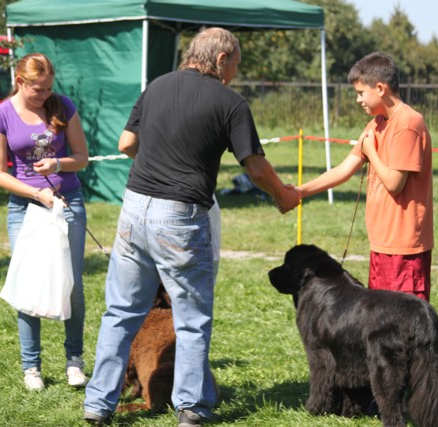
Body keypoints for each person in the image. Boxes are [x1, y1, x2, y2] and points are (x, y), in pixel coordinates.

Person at [83, 27, 299, 426]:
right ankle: (191, 408)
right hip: (180, 216)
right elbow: (255, 167)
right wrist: (282, 196)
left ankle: (97, 404)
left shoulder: (156, 86)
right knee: (192, 318)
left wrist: (159, 160)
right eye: (235, 64)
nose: (235, 73)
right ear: (221, 58)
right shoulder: (230, 102)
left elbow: (126, 143)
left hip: (133, 206)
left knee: (121, 311)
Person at [0, 52, 90, 391]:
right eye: (37, 89)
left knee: (72, 285)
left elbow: (82, 158)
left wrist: (58, 165)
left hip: (67, 202)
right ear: (20, 81)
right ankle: (31, 367)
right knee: (28, 284)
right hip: (24, 209)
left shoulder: (63, 106)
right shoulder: (0, 115)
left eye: (48, 88)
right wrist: (36, 193)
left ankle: (74, 360)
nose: (44, 95)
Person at [296, 51, 434, 302]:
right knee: (378, 319)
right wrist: (299, 192)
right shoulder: (377, 123)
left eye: (361, 93)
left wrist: (371, 151)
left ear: (380, 88)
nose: (358, 100)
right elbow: (344, 168)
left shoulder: (408, 123)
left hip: (403, 249)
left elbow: (394, 183)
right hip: (381, 245)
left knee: (402, 322)